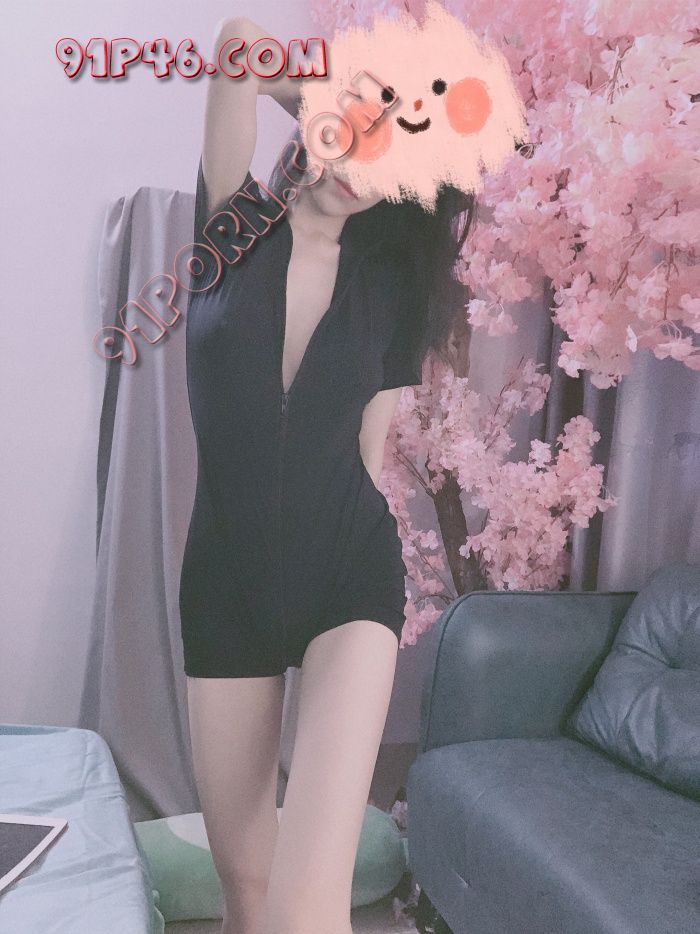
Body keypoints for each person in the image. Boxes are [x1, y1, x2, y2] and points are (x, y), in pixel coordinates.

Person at [179, 15, 477, 934]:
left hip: (346, 576)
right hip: (224, 582)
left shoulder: (391, 287)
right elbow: (237, 44)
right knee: (246, 892)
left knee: (307, 906)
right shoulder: (230, 224)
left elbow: (366, 456)